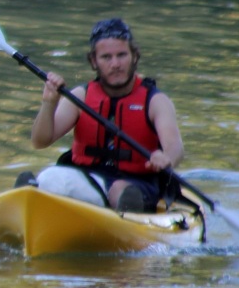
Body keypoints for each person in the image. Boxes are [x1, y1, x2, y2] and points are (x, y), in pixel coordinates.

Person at [24, 17, 184, 212]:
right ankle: (31, 198)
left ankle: (127, 217)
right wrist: (49, 103)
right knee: (48, 177)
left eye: (122, 55)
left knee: (120, 191)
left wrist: (166, 158)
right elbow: (40, 141)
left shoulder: (156, 101)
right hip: (90, 179)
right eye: (106, 57)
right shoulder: (80, 97)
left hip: (137, 182)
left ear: (134, 56)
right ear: (94, 61)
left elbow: (174, 146)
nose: (115, 64)